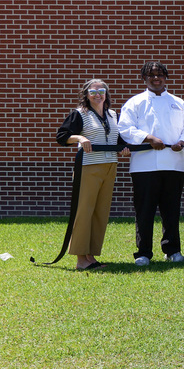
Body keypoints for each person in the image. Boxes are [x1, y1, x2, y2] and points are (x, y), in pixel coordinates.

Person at [118, 60, 184, 266]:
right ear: (144, 78)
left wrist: (182, 142)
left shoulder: (179, 103)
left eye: (160, 74)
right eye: (151, 75)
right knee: (144, 211)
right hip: (144, 166)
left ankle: (173, 250)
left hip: (174, 164)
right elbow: (124, 127)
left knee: (171, 210)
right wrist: (147, 137)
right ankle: (143, 253)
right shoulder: (135, 103)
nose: (156, 78)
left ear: (166, 77)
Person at [55, 79, 129, 270]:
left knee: (100, 213)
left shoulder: (113, 114)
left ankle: (91, 256)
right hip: (88, 167)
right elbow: (62, 136)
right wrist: (80, 137)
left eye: (101, 91)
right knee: (84, 212)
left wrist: (124, 148)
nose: (98, 95)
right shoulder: (79, 114)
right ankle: (81, 260)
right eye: (93, 92)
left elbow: (117, 138)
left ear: (107, 94)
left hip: (110, 166)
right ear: (86, 95)